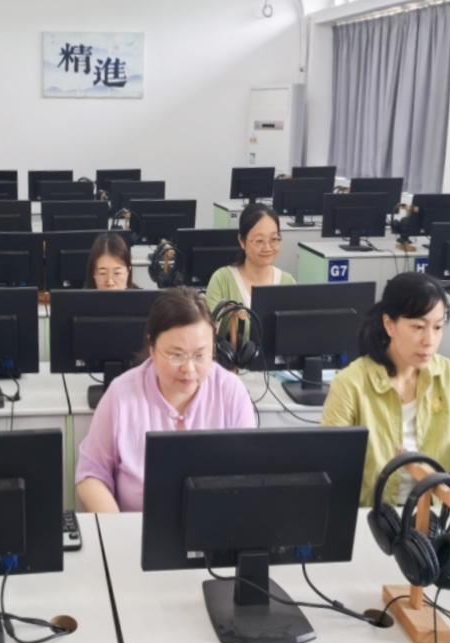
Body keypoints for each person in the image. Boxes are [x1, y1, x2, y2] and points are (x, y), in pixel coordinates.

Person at [75, 287, 256, 512]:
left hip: (214, 528)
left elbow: (248, 477)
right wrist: (116, 527)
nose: (189, 369)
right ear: (152, 347)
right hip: (136, 528)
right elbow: (91, 474)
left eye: (200, 355)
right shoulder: (122, 394)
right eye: (176, 355)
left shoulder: (231, 392)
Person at [321, 272, 450, 507]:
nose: (430, 340)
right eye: (418, 327)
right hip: (372, 515)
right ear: (389, 324)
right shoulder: (351, 383)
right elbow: (329, 464)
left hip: (435, 513)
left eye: (438, 327)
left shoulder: (444, 373)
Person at [205, 204, 295, 336]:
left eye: (274, 239)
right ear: (242, 241)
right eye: (259, 241)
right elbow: (207, 334)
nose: (267, 247)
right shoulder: (222, 280)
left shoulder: (287, 282)